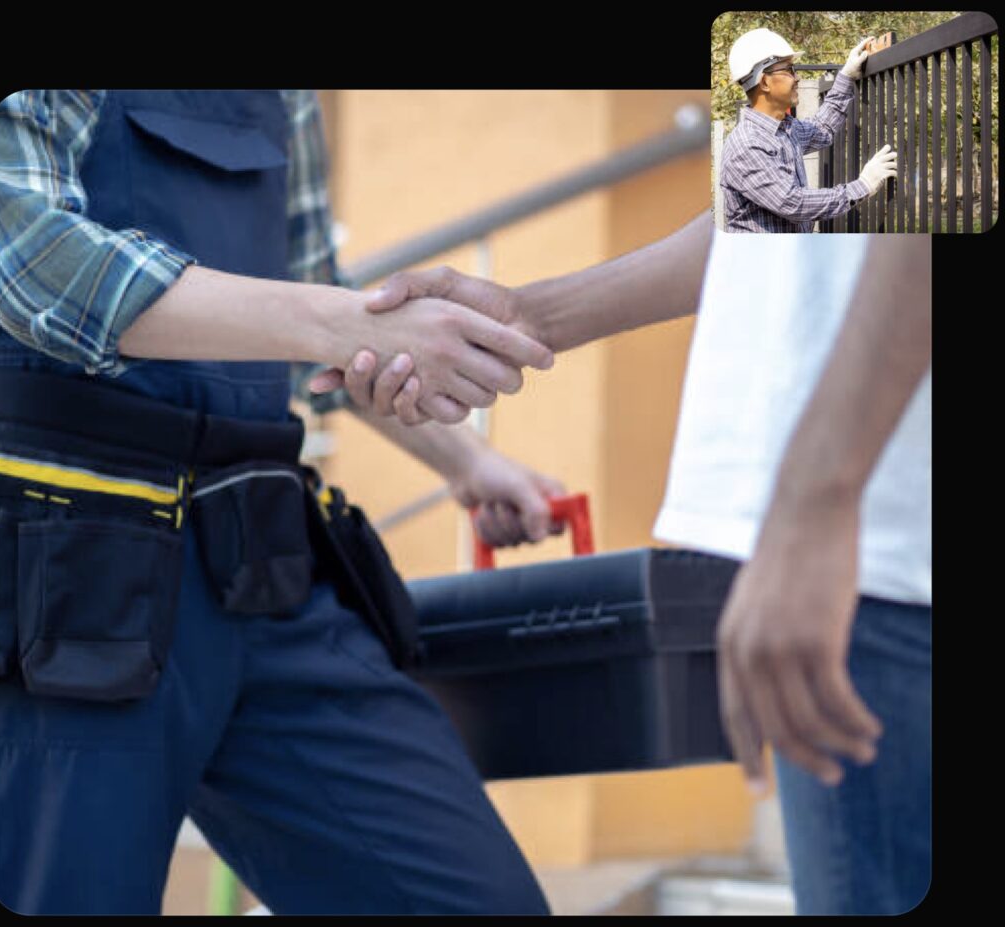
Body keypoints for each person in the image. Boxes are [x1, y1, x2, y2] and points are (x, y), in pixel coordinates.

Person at [0, 89, 563, 915]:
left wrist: (467, 460)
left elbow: (308, 290)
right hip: (69, 581)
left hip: (262, 565)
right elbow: (27, 257)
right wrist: (335, 323)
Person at [328, 219, 932, 915]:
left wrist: (812, 506)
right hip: (863, 529)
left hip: (881, 541)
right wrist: (530, 315)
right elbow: (775, 198)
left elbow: (937, 181)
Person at [721, 29, 898, 233]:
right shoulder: (746, 144)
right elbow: (792, 203)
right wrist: (863, 185)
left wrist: (846, 76)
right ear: (764, 82)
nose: (797, 78)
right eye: (789, 69)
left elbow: (822, 128)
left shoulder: (784, 129)